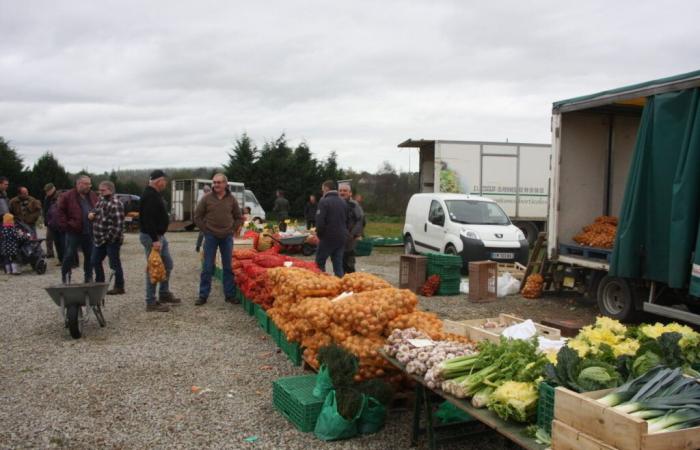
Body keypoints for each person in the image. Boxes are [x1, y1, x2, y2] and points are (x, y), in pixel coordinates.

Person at [194, 173, 243, 306]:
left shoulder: (231, 199)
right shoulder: (206, 199)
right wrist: (205, 230)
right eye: (214, 182)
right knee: (208, 267)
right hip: (211, 237)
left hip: (226, 237)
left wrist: (232, 229)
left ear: (225, 184)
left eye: (219, 182)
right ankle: (203, 295)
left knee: (227, 267)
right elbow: (197, 216)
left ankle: (230, 295)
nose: (216, 185)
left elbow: (239, 217)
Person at [139, 170, 180, 312]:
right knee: (154, 267)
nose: (165, 184)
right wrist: (155, 239)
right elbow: (148, 220)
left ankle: (163, 293)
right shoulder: (150, 196)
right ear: (159, 181)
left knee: (168, 264)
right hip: (152, 237)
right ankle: (150, 302)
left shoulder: (154, 194)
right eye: (165, 181)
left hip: (159, 236)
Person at [57, 176, 98, 283]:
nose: (89, 186)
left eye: (90, 184)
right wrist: (68, 225)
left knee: (89, 256)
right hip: (73, 232)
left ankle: (88, 277)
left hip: (89, 231)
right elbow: (60, 213)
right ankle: (66, 276)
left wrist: (95, 215)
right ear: (79, 184)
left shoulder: (93, 195)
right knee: (69, 255)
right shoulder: (67, 196)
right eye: (87, 184)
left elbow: (98, 208)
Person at [89, 181, 125, 295]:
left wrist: (109, 239)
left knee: (114, 264)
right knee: (94, 261)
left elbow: (118, 225)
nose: (100, 192)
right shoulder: (101, 200)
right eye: (99, 190)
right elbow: (95, 211)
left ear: (110, 190)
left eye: (103, 190)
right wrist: (91, 214)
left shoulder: (116, 203)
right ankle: (100, 284)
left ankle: (119, 286)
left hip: (111, 240)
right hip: (99, 239)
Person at [315, 180, 348, 277]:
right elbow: (346, 220)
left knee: (319, 263)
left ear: (326, 189)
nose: (322, 192)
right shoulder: (343, 202)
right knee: (338, 265)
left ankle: (322, 284)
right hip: (341, 237)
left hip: (327, 237)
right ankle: (341, 285)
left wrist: (320, 236)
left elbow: (320, 223)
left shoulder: (323, 201)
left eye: (322, 190)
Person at [339, 183, 364, 274]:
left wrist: (352, 234)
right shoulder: (336, 203)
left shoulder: (354, 205)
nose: (342, 192)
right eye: (340, 191)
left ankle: (351, 283)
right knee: (338, 263)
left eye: (345, 191)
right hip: (338, 238)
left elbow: (360, 220)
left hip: (349, 239)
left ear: (350, 193)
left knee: (348, 263)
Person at [42, 183, 60, 259]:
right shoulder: (47, 197)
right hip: (49, 221)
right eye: (46, 191)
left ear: (53, 189)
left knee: (58, 240)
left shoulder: (58, 196)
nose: (47, 192)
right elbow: (45, 209)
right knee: (48, 238)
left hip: (56, 221)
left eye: (48, 190)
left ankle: (61, 255)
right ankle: (50, 253)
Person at [195, 184, 212, 252]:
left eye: (208, 190)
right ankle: (198, 246)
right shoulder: (202, 198)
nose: (207, 191)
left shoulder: (211, 197)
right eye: (206, 190)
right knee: (202, 233)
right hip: (204, 218)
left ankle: (208, 247)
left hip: (210, 218)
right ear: (204, 191)